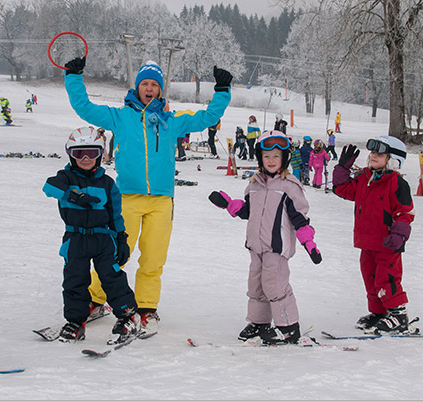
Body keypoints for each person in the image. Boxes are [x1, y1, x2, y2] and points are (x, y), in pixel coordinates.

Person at [63, 56, 232, 335]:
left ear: (160, 89)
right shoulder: (120, 117)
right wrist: (73, 76)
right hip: (126, 197)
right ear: (137, 87)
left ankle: (146, 308)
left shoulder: (171, 121)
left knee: (153, 257)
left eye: (155, 84)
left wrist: (222, 90)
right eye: (145, 83)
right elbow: (84, 108)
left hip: (162, 200)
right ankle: (96, 299)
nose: (150, 88)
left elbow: (208, 118)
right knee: (115, 254)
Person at [208, 130, 322, 345]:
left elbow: (300, 219)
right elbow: (247, 211)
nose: (271, 161)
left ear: (284, 159)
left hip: (277, 248)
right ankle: (259, 323)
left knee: (275, 286)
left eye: (276, 156)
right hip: (256, 246)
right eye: (267, 156)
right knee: (256, 285)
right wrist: (228, 203)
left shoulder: (290, 187)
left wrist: (310, 244)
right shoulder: (254, 185)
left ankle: (288, 327)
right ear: (260, 158)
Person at [42, 127, 139, 344]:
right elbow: (49, 187)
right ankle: (76, 322)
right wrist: (73, 196)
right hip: (75, 239)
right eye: (79, 154)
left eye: (92, 153)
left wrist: (121, 238)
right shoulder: (65, 177)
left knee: (112, 278)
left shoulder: (107, 184)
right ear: (70, 155)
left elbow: (115, 214)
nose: (85, 159)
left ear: (100, 154)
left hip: (103, 239)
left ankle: (127, 317)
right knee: (74, 280)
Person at [331, 136, 417, 335]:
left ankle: (398, 314)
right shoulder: (364, 178)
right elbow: (343, 190)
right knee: (370, 278)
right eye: (372, 153)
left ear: (393, 159)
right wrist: (342, 170)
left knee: (386, 278)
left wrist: (399, 235)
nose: (373, 156)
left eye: (379, 154)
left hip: (387, 243)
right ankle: (379, 312)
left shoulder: (397, 183)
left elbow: (405, 213)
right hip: (366, 241)